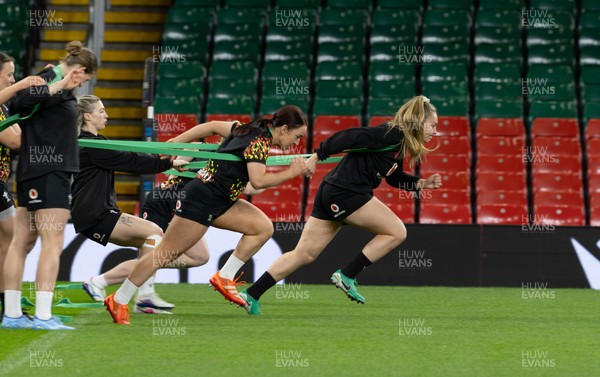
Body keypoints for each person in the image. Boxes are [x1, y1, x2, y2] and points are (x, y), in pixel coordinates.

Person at [104, 105, 311, 324]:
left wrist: (178, 140)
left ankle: (225, 276)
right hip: (202, 199)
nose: (296, 143)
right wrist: (292, 172)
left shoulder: (244, 129)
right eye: (297, 137)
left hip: (222, 199)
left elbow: (211, 126)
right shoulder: (258, 142)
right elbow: (258, 181)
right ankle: (119, 299)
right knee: (163, 255)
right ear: (284, 128)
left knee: (262, 227)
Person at [239, 95, 443, 315]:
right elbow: (350, 136)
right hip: (346, 193)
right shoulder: (391, 134)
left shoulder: (399, 142)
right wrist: (318, 155)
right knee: (396, 232)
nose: (435, 131)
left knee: (303, 254)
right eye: (433, 125)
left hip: (333, 191)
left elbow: (393, 177)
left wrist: (421, 183)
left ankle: (251, 294)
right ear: (419, 121)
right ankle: (347, 275)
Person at [1, 41, 96, 330]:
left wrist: (63, 87)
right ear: (79, 71)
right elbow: (18, 102)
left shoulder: (54, 82)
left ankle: (13, 314)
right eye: (85, 80)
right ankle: (42, 316)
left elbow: (25, 102)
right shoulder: (50, 78)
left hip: (36, 170)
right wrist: (62, 85)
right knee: (52, 243)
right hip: (48, 171)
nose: (81, 85)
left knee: (23, 242)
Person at [70, 94, 193, 314]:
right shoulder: (92, 145)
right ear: (88, 116)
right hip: (95, 214)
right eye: (101, 111)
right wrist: (169, 163)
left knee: (151, 247)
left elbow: (129, 157)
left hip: (94, 213)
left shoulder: (94, 143)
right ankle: (143, 296)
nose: (106, 115)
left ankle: (101, 284)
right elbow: (131, 160)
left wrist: (167, 162)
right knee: (155, 233)